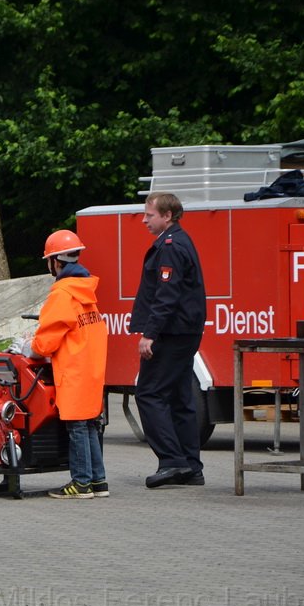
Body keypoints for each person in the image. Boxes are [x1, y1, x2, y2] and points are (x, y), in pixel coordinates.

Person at [11, 230, 109, 499]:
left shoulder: (62, 295)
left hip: (73, 372)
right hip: (90, 370)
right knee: (89, 424)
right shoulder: (87, 292)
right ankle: (98, 482)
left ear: (55, 261)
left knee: (76, 427)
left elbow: (46, 343)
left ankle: (80, 484)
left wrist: (27, 346)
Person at [129, 192, 207, 487]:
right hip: (184, 331)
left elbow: (167, 294)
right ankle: (191, 466)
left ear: (167, 216)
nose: (144, 220)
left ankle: (172, 462)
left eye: (149, 215)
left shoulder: (171, 246)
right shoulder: (179, 241)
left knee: (149, 394)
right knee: (179, 397)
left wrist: (150, 334)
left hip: (172, 333)